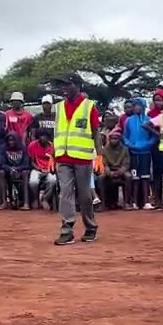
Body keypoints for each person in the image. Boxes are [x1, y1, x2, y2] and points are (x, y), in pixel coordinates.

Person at [50, 75, 100, 245]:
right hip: (62, 157)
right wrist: (52, 154)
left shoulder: (89, 107)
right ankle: (67, 229)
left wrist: (99, 155)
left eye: (68, 84)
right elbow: (56, 133)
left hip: (82, 158)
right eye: (62, 84)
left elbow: (96, 132)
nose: (64, 87)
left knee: (85, 195)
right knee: (65, 192)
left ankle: (91, 227)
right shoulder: (58, 108)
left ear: (78, 86)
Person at [121, 97, 158, 210]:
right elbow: (125, 136)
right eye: (135, 105)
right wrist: (130, 145)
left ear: (143, 107)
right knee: (135, 177)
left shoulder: (149, 120)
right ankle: (135, 202)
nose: (137, 107)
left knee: (145, 177)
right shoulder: (129, 120)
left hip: (146, 152)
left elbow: (154, 137)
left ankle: (146, 201)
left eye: (139, 105)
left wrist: (147, 144)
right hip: (133, 152)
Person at [0, 132, 32, 210]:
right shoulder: (3, 148)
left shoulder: (23, 148)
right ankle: (4, 202)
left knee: (25, 173)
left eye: (13, 140)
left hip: (21, 170)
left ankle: (26, 203)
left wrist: (17, 169)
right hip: (8, 171)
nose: (11, 142)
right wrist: (10, 169)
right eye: (9, 140)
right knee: (1, 173)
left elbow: (26, 164)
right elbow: (2, 164)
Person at [100, 130, 132, 210]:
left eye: (116, 138)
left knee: (128, 176)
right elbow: (105, 164)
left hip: (121, 170)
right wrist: (109, 173)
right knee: (100, 178)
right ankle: (103, 204)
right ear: (109, 139)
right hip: (109, 170)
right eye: (112, 139)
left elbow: (126, 164)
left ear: (119, 139)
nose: (114, 140)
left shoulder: (125, 149)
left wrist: (120, 172)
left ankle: (127, 203)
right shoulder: (104, 150)